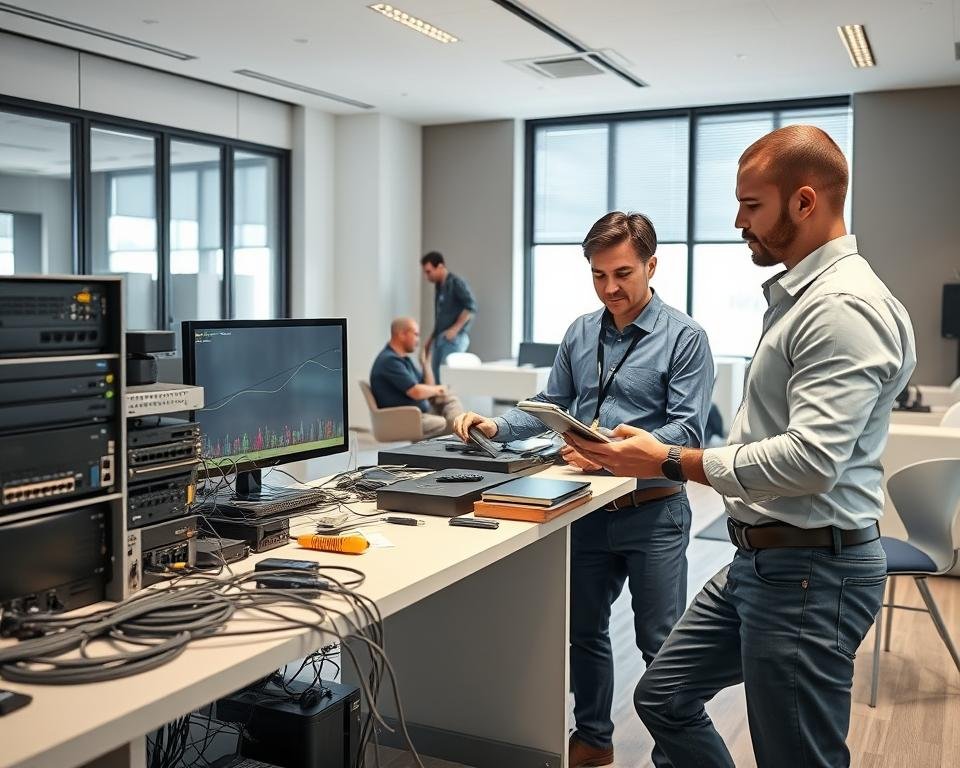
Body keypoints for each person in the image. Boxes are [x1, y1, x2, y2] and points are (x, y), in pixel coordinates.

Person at [565, 126, 917, 768]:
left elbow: (809, 461)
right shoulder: (802, 299)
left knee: (796, 755)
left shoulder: (839, 307)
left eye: (751, 206)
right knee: (664, 696)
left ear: (805, 203)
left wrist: (670, 460)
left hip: (812, 570)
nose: (736, 221)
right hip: (762, 560)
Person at [453, 212, 714, 768]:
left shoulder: (686, 337)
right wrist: (498, 426)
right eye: (598, 275)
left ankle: (672, 756)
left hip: (653, 512)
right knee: (586, 632)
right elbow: (555, 408)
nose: (610, 288)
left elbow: (688, 430)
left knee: (660, 646)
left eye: (622, 273)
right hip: (587, 510)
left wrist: (610, 451)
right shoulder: (579, 332)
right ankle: (593, 737)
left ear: (652, 265)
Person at [370, 317, 463, 438]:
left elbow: (428, 388)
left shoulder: (403, 359)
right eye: (415, 334)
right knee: (445, 424)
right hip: (405, 419)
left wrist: (426, 364)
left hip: (420, 412)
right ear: (402, 334)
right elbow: (416, 392)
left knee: (451, 399)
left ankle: (460, 427)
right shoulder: (389, 361)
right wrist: (440, 388)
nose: (418, 340)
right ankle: (459, 430)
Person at [421, 251, 477, 383]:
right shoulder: (439, 287)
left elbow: (470, 307)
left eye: (429, 272)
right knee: (436, 379)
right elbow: (440, 318)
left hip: (453, 340)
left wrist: (455, 329)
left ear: (440, 266)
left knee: (447, 380)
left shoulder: (456, 283)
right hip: (440, 339)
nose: (427, 276)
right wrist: (430, 340)